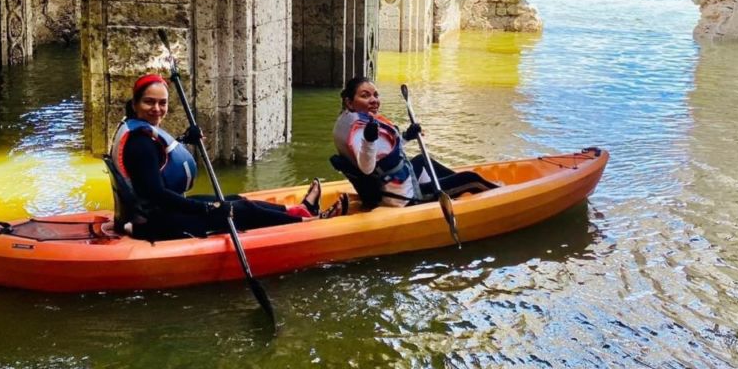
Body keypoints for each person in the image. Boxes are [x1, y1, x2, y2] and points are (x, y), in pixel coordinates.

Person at [110, 74, 342, 241]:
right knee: (240, 210)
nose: (157, 108)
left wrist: (183, 139)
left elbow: (154, 163)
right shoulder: (139, 144)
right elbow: (157, 194)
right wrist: (208, 210)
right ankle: (312, 223)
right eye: (149, 102)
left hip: (154, 213)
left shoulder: (138, 132)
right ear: (135, 104)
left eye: (163, 103)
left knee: (236, 197)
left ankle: (299, 210)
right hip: (157, 223)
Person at [331, 76, 496, 210]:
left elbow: (384, 154)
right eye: (365, 96)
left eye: (375, 95)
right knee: (472, 178)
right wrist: (369, 140)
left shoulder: (347, 121)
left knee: (422, 160)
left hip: (385, 185)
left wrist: (406, 136)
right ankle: (497, 193)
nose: (374, 100)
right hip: (403, 198)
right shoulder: (362, 131)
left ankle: (457, 188)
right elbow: (367, 167)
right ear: (349, 102)